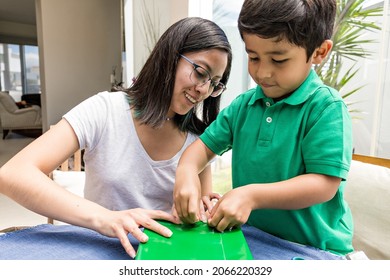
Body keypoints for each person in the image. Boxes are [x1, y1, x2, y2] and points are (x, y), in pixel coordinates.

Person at [0, 17, 232, 258]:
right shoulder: (105, 110)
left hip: (159, 260)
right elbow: (13, 175)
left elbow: (197, 221)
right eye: (200, 72)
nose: (204, 90)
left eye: (214, 83)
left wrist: (201, 211)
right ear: (170, 57)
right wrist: (107, 219)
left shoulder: (199, 141)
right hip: (96, 253)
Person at [174, 0, 354, 257]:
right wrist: (186, 170)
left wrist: (252, 196)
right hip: (253, 239)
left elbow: (324, 184)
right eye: (253, 57)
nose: (263, 72)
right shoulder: (244, 106)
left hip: (315, 249)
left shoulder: (326, 108)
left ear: (319, 52)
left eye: (278, 60)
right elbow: (200, 150)